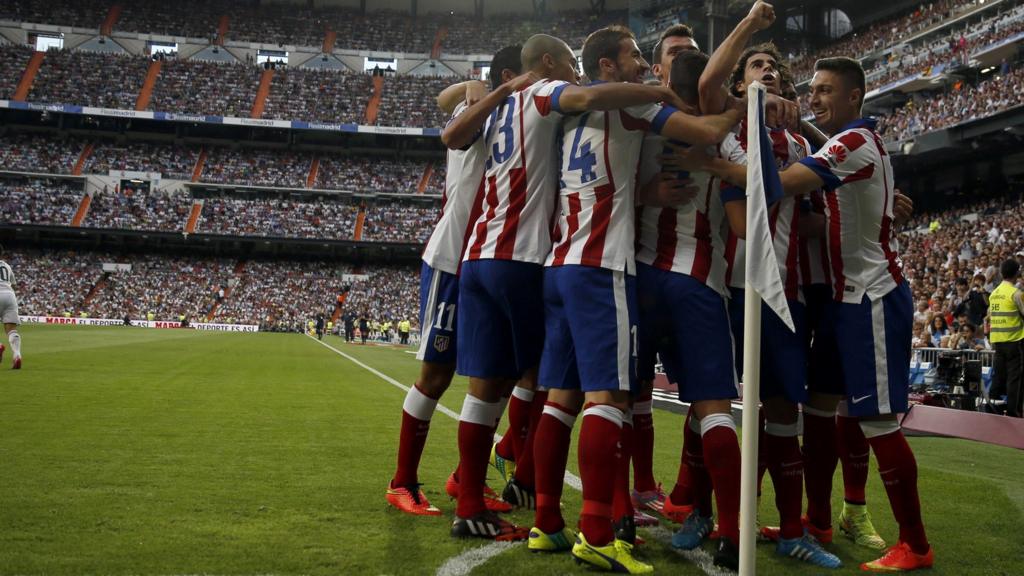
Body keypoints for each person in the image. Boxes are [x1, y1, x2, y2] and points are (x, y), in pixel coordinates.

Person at [442, 32, 697, 543]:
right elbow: (583, 96)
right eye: (568, 67)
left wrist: (486, 89)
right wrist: (655, 92)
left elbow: (451, 131)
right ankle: (540, 492)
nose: (576, 77)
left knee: (485, 388)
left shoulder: (496, 110)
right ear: (549, 64)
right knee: (552, 381)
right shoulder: (545, 94)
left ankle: (471, 497)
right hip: (529, 256)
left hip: (478, 255)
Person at [683, 55, 935, 572]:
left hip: (870, 295)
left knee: (875, 420)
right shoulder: (833, 143)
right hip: (837, 298)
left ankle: (914, 542)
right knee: (806, 410)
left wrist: (710, 165)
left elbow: (776, 187)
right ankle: (802, 519)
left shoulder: (845, 144)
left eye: (825, 91)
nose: (814, 100)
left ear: (853, 97)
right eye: (812, 90)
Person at [529, 26, 743, 572]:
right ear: (606, 65)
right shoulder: (638, 111)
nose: (644, 65)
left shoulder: (562, 110)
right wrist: (748, 107)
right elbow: (707, 129)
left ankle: (548, 521)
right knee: (616, 401)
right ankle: (602, 530)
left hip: (560, 264)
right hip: (614, 270)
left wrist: (648, 191)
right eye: (634, 57)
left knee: (562, 398)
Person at [694, 9, 840, 566]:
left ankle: (793, 528)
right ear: (740, 80)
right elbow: (740, 221)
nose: (768, 71)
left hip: (787, 291)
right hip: (729, 285)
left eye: (775, 68)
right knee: (713, 404)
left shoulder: (797, 142)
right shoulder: (728, 127)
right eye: (756, 65)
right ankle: (709, 516)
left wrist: (801, 126)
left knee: (783, 407)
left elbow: (810, 211)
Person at [386, 45, 528, 520]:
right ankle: (402, 481)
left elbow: (447, 95)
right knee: (436, 374)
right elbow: (452, 123)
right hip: (452, 258)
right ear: (510, 75)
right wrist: (479, 89)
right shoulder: (485, 112)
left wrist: (472, 86)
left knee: (502, 374)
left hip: (491, 258)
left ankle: (466, 479)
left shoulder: (527, 118)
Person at [988, 258, 1024, 417]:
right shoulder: (1017, 294)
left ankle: (993, 407)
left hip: (998, 341)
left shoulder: (994, 294)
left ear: (1002, 273)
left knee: (998, 376)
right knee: (1014, 378)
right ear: (1017, 273)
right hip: (1015, 341)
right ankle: (1012, 411)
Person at [0, 246, 23, 369]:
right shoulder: (7, 266)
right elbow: (14, 283)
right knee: (11, 330)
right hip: (9, 295)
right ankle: (17, 355)